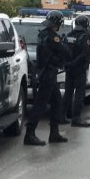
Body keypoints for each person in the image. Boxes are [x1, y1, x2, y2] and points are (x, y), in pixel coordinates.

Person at [24, 10, 70, 146]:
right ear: (57, 23)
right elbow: (65, 51)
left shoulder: (43, 34)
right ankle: (29, 134)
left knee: (57, 103)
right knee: (40, 105)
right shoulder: (52, 37)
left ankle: (54, 133)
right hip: (48, 74)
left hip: (47, 73)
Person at [62, 15, 90, 128]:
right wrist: (75, 63)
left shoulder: (69, 35)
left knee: (68, 92)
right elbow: (85, 53)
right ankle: (76, 118)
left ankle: (62, 116)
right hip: (79, 68)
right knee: (79, 93)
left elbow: (64, 50)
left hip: (69, 68)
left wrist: (68, 64)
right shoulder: (85, 36)